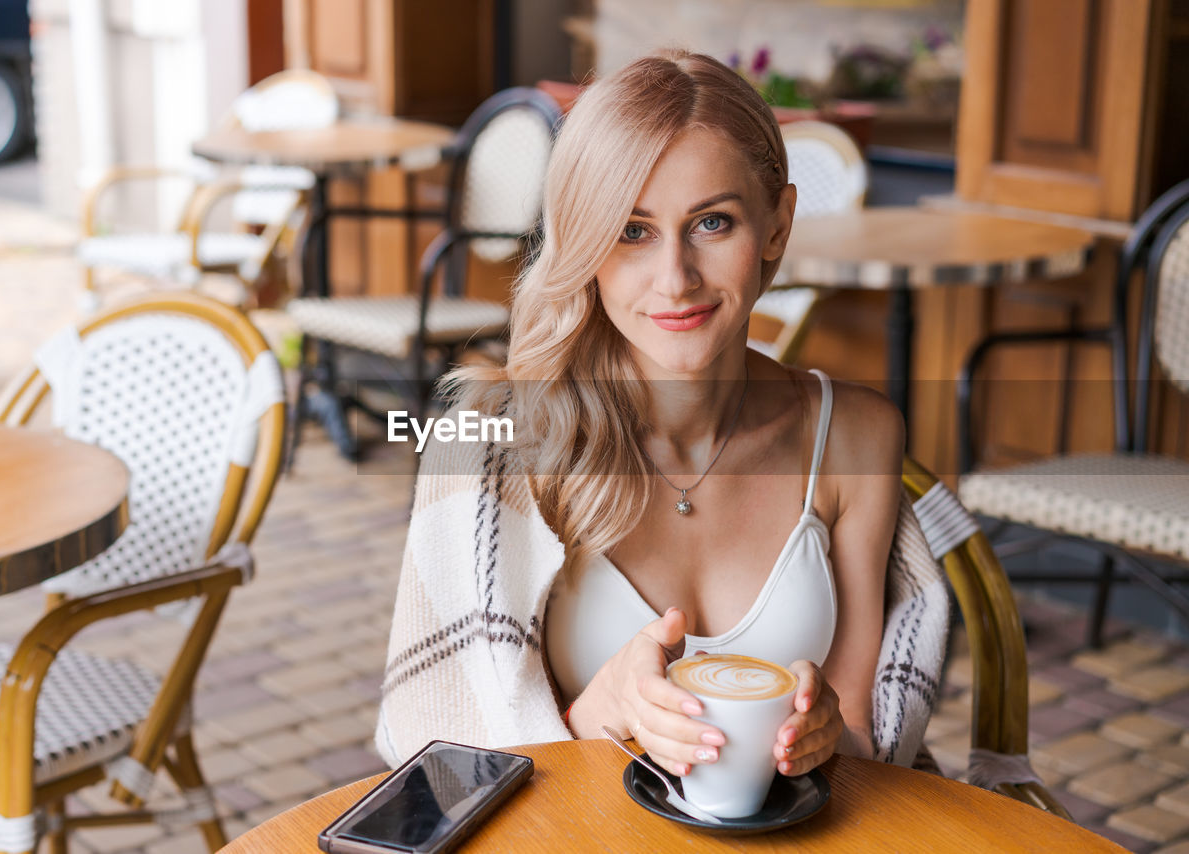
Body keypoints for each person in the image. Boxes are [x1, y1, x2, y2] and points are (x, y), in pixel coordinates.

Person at [375, 50, 945, 778]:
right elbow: (446, 756)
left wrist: (827, 732)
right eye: (632, 231)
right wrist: (599, 711)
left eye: (712, 223)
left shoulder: (856, 435)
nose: (675, 280)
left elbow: (869, 743)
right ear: (584, 244)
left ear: (776, 226)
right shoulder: (500, 446)